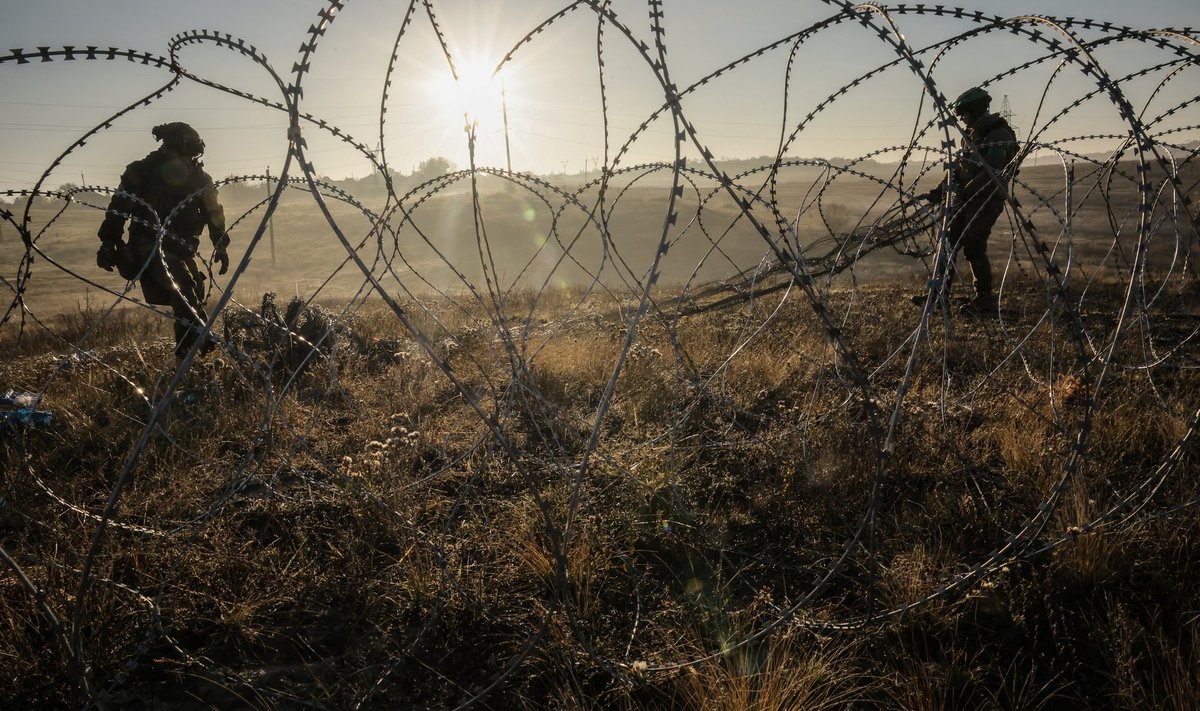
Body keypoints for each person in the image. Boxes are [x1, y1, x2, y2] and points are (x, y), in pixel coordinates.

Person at [96, 122, 230, 360]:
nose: (188, 161)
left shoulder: (200, 180)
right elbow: (118, 208)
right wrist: (108, 242)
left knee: (193, 294)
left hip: (182, 247)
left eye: (192, 156)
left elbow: (214, 213)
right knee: (182, 285)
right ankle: (196, 342)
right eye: (183, 154)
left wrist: (220, 242)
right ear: (167, 149)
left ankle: (187, 357)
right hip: (147, 244)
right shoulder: (141, 172)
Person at [914, 86, 1020, 316]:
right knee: (948, 242)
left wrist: (966, 191)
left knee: (974, 245)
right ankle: (938, 294)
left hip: (986, 200)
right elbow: (959, 168)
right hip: (965, 199)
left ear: (975, 111)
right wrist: (940, 189)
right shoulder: (971, 136)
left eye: (965, 114)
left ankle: (985, 300)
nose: (962, 119)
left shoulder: (998, 135)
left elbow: (992, 171)